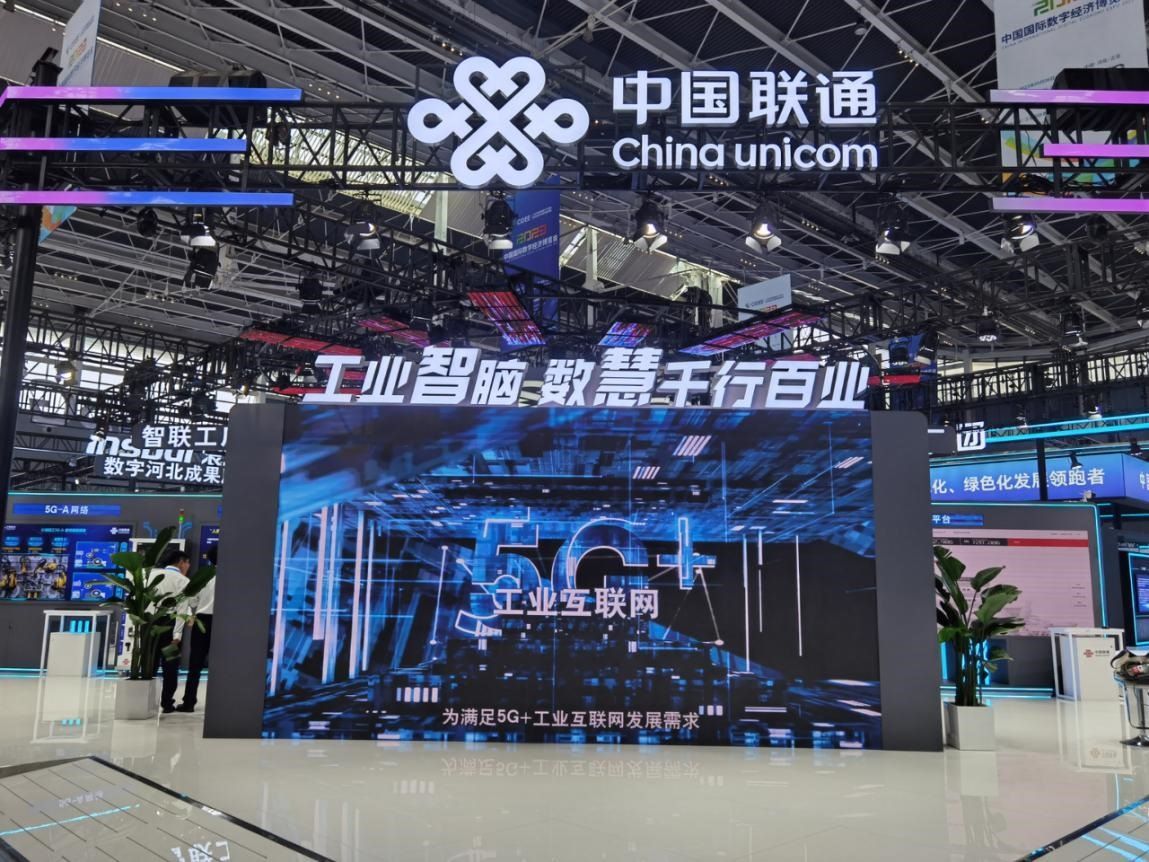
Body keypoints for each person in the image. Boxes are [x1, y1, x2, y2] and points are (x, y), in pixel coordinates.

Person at [151, 548, 191, 714]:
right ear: (181, 562)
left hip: (150, 625)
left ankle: (147, 701)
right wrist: (177, 634)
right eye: (187, 563)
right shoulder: (182, 580)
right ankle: (167, 703)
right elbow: (182, 608)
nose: (188, 566)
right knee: (170, 666)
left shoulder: (152, 575)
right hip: (170, 625)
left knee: (149, 664)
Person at [177, 545, 216, 712]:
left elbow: (192, 602)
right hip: (224, 622)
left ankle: (189, 702)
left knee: (196, 663)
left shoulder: (202, 576)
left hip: (202, 621)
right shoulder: (233, 576)